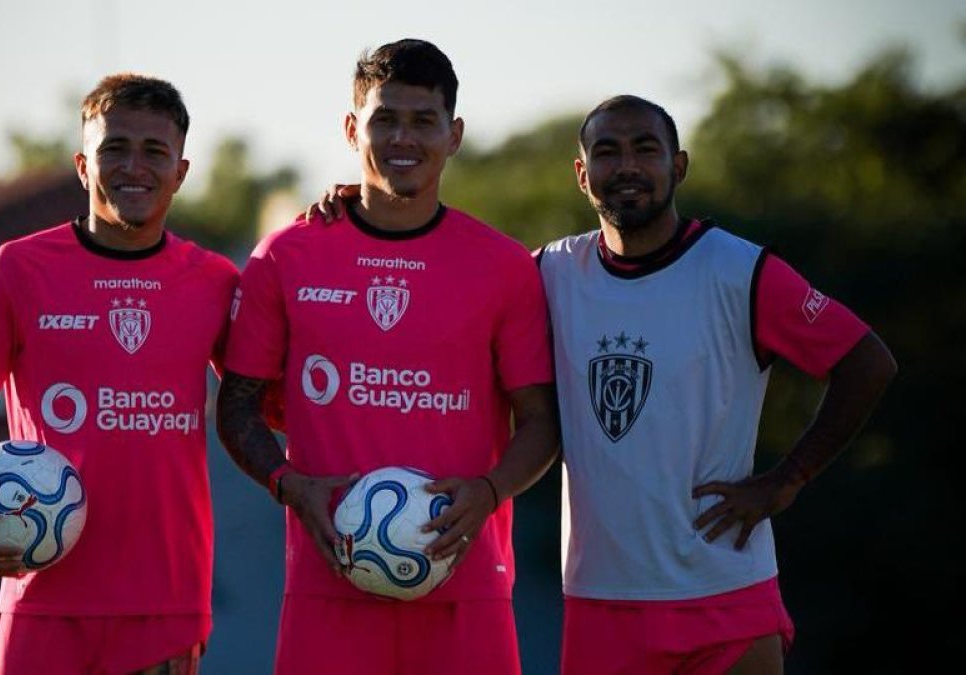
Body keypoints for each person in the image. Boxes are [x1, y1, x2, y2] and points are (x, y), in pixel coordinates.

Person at [216, 39, 560, 675]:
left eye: (423, 121)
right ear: (353, 128)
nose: (404, 138)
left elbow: (542, 420)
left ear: (453, 135)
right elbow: (236, 408)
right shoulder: (284, 257)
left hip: (467, 585)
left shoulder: (505, 267)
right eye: (384, 119)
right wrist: (291, 486)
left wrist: (489, 491)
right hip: (328, 584)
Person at [538, 95, 897, 674]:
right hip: (601, 600)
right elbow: (459, 288)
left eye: (645, 149)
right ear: (583, 175)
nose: (626, 166)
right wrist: (358, 210)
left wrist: (789, 477)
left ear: (678, 166)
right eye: (607, 152)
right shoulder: (550, 272)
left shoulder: (740, 270)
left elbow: (867, 361)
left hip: (725, 593)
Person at [0, 74, 238, 674]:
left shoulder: (216, 281)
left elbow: (262, 402)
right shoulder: (17, 268)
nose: (134, 166)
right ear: (82, 165)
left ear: (182, 170)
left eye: (154, 152)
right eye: (114, 148)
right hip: (39, 586)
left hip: (162, 600)